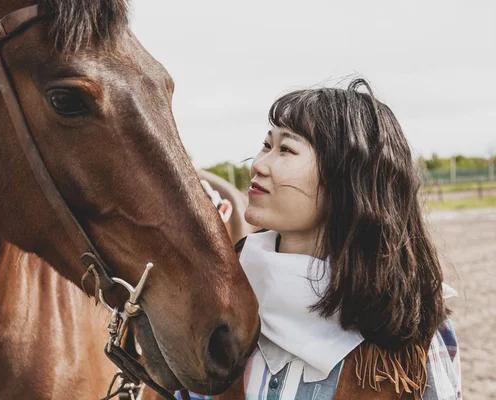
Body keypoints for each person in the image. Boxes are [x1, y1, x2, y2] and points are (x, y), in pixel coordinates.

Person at [176, 79, 461, 400]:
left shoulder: (412, 337)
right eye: (267, 145)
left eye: (286, 149)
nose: (258, 164)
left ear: (349, 181)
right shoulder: (222, 310)